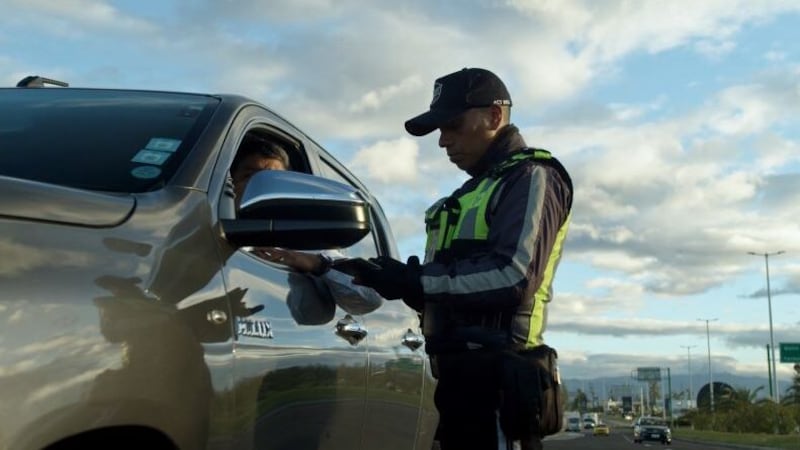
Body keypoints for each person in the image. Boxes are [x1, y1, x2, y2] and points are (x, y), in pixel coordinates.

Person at [352, 68, 573, 450]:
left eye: (452, 125)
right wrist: (376, 277)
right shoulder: (469, 194)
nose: (443, 141)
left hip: (500, 384)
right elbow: (448, 291)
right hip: (454, 384)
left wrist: (415, 280)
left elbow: (513, 275)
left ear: (495, 116)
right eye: (439, 130)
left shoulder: (531, 176)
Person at [230, 135, 383, 316]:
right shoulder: (209, 232)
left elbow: (371, 298)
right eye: (249, 176)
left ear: (289, 190)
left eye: (272, 181)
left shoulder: (309, 243)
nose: (260, 186)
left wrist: (314, 264)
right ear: (231, 184)